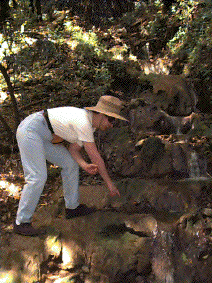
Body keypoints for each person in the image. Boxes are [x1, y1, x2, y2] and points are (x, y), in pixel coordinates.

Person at [13, 95, 128, 236]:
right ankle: (21, 222)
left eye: (114, 121)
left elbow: (73, 150)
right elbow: (96, 157)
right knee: (37, 176)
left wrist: (84, 165)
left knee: (70, 164)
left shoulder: (90, 127)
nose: (111, 124)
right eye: (111, 119)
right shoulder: (84, 121)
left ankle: (72, 208)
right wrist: (110, 185)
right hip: (31, 130)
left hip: (43, 135)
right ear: (102, 115)